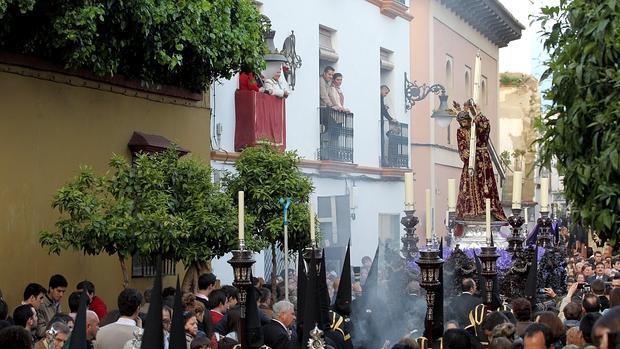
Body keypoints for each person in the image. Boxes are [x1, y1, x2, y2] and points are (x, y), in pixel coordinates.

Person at [455, 100, 507, 221]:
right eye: (461, 122)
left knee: (484, 183)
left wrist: (478, 114)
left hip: (482, 159)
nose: (463, 124)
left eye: (465, 121)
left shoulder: (477, 126)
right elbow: (461, 144)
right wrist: (464, 152)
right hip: (470, 162)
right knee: (469, 185)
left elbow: (485, 129)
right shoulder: (460, 131)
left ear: (469, 120)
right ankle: (471, 210)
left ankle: (486, 208)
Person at [37, 274, 68, 339]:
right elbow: (40, 332)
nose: (61, 295)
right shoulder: (41, 305)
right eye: (59, 291)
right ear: (51, 289)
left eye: (63, 292)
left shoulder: (57, 303)